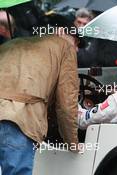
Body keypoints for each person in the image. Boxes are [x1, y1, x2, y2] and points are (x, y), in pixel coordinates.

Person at [0, 24, 82, 174]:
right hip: (18, 119)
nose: (77, 49)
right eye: (77, 43)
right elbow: (67, 104)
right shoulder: (65, 47)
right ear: (61, 33)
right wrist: (73, 143)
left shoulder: (11, 43)